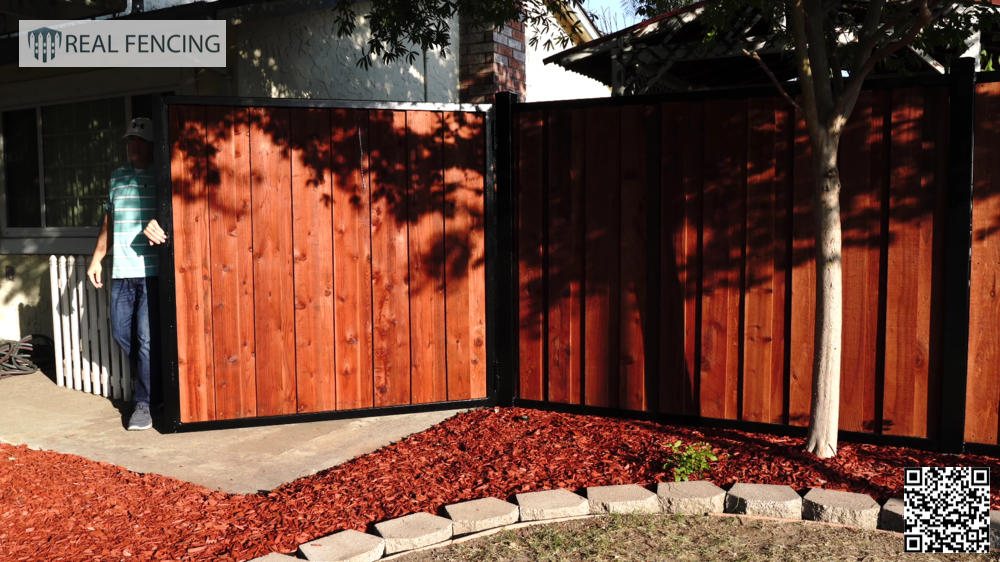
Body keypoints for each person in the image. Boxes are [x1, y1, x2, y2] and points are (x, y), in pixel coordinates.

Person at [87, 117, 168, 431]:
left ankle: (143, 404)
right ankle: (157, 386)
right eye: (129, 141)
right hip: (121, 270)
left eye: (139, 141)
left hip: (150, 272)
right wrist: (97, 259)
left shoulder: (163, 177)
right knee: (122, 334)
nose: (133, 146)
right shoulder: (117, 177)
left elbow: (175, 217)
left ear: (151, 145)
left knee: (146, 340)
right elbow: (110, 220)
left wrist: (163, 225)